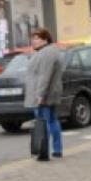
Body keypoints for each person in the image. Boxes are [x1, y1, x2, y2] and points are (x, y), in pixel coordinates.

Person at [24, 28, 64, 161]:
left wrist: (40, 95)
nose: (33, 41)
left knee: (43, 123)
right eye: (33, 38)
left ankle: (43, 151)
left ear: (45, 40)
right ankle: (57, 150)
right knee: (52, 120)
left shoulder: (46, 53)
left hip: (44, 94)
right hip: (51, 92)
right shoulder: (49, 51)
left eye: (37, 38)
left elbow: (44, 75)